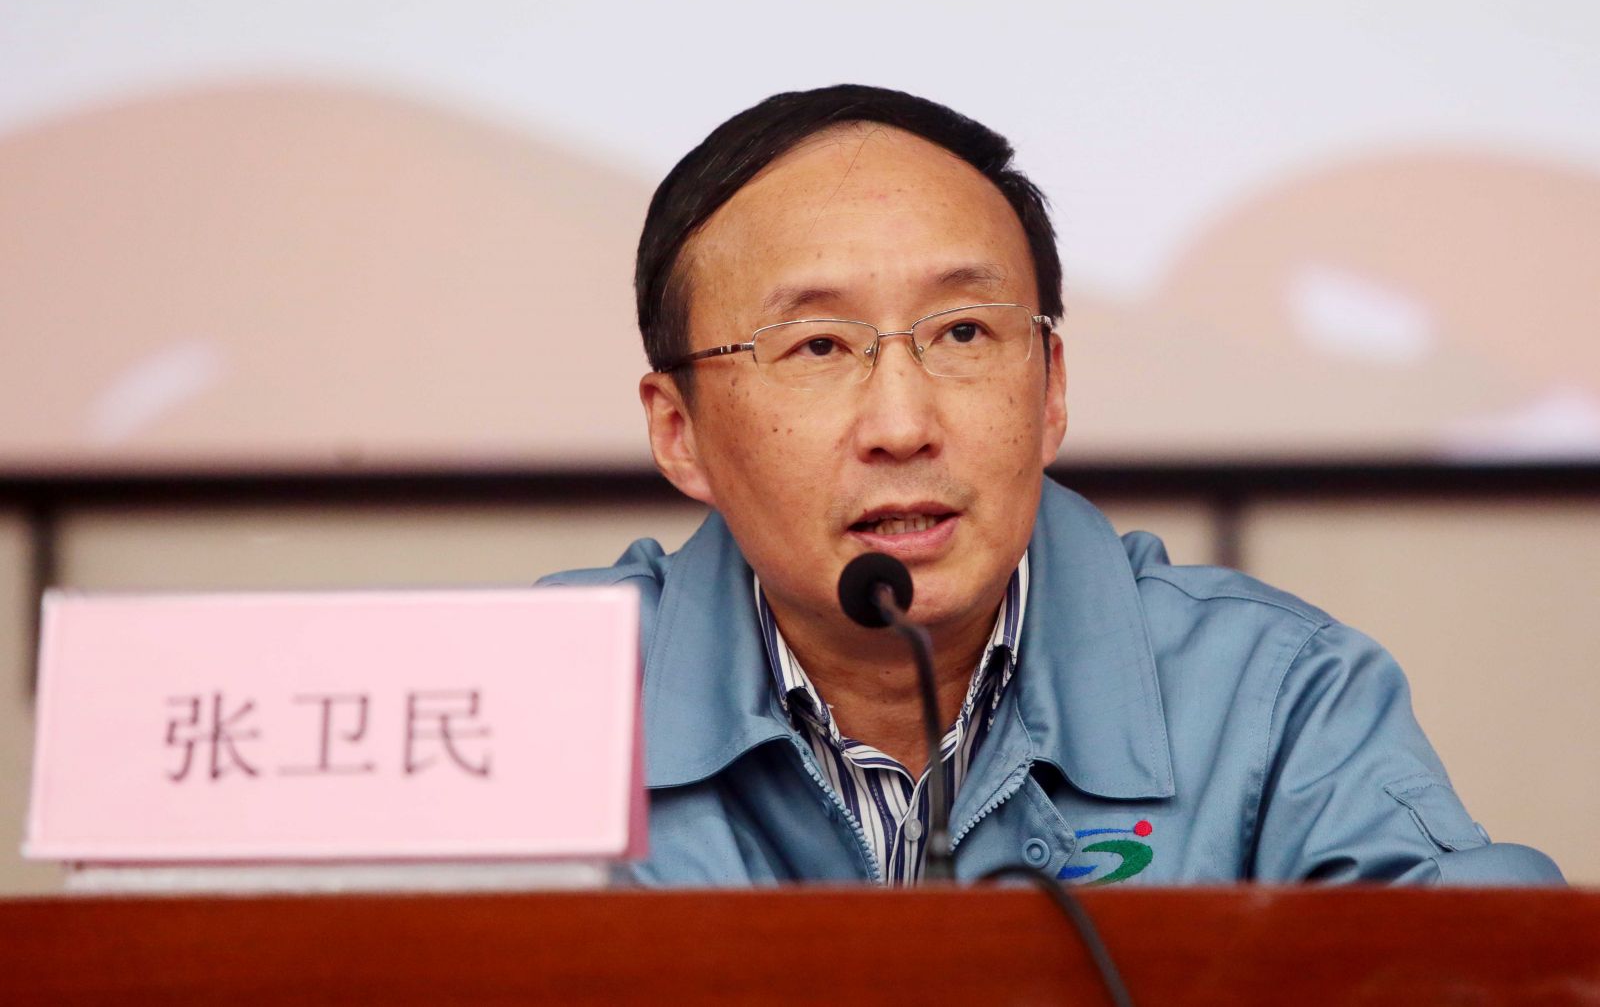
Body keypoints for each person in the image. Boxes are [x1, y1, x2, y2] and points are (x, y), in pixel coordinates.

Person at [541, 85, 1563, 887]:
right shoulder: (540, 698)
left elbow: (1492, 965)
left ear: (1051, 390)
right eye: (817, 345)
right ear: (678, 432)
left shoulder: (1271, 696)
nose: (902, 425)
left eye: (962, 332)